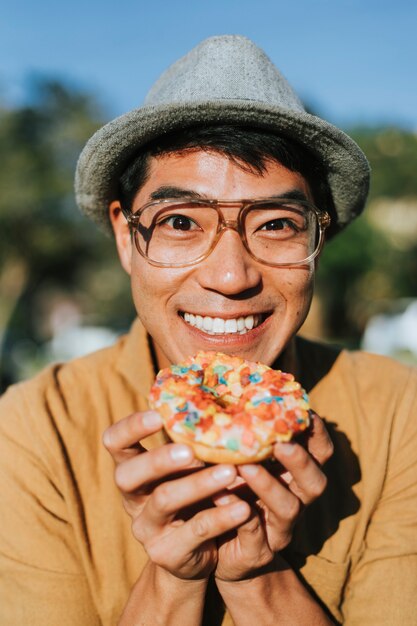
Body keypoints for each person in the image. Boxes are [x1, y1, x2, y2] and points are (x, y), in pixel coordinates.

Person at [1, 35, 416, 626]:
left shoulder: (403, 418)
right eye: (179, 222)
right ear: (127, 238)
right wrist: (172, 577)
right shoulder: (33, 432)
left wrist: (257, 579)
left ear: (317, 245)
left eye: (276, 224)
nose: (230, 276)